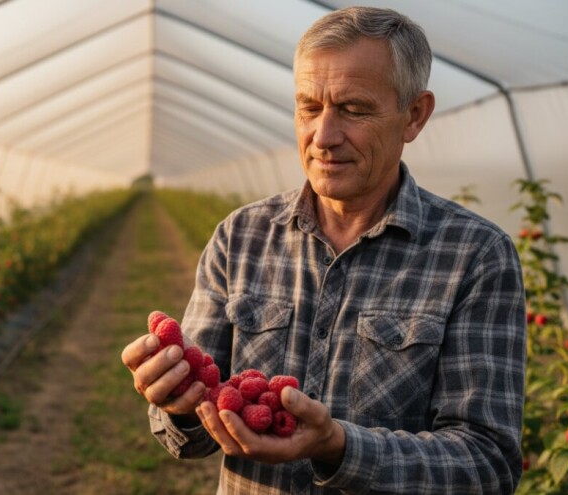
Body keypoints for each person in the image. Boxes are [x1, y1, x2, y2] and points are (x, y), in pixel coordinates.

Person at [121, 6, 526, 494]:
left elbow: (487, 463)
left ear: (414, 115)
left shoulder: (475, 256)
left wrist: (339, 446)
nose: (324, 137)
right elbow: (188, 437)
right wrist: (177, 404)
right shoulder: (241, 238)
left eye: (354, 110)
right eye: (309, 107)